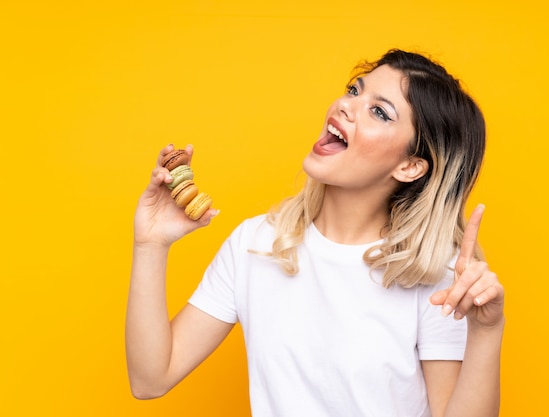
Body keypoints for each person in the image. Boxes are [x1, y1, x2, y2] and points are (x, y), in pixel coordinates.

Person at [126, 49, 505, 417]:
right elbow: (150, 380)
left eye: (379, 112)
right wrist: (150, 244)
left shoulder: (437, 276)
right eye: (355, 90)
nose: (346, 105)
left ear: (410, 167)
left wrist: (486, 331)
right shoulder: (256, 245)